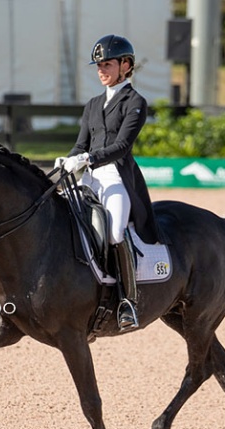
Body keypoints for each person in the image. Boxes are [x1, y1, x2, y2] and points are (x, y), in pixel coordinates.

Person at [56, 34, 163, 331]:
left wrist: (87, 159)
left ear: (126, 65)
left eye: (107, 64)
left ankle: (127, 301)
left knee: (114, 231)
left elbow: (121, 147)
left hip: (116, 176)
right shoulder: (92, 104)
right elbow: (81, 144)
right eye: (98, 65)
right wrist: (68, 160)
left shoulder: (135, 102)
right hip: (88, 177)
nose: (101, 70)